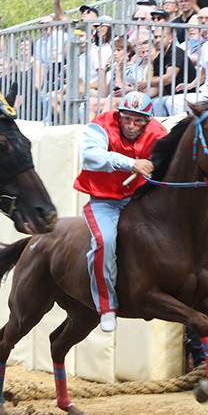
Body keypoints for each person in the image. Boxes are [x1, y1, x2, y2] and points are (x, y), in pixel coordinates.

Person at [73, 91, 167, 333]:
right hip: (104, 200)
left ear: (149, 120)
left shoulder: (159, 133)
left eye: (139, 120)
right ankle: (107, 307)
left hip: (138, 198)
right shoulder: (101, 124)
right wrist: (130, 162)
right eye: (126, 118)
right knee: (104, 241)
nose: (132, 125)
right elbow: (89, 156)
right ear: (119, 114)